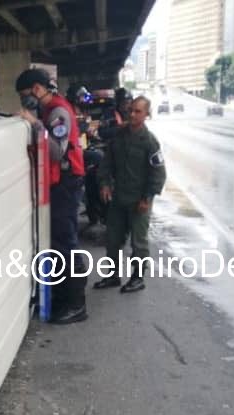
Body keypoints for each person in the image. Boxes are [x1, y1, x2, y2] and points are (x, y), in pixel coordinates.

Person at [15, 68, 88, 324]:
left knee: (65, 242)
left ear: (36, 89)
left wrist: (33, 123)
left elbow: (56, 152)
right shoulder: (49, 110)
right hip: (59, 183)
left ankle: (77, 305)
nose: (25, 101)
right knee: (57, 241)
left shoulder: (57, 112)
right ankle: (62, 296)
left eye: (25, 95)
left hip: (67, 183)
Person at [93, 95, 166, 293]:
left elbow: (159, 173)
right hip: (119, 197)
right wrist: (105, 183)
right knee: (113, 238)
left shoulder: (150, 142)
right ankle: (113, 275)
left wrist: (147, 198)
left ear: (146, 115)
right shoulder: (119, 135)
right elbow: (107, 162)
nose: (132, 114)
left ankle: (137, 278)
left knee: (138, 242)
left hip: (138, 200)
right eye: (131, 110)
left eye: (138, 111)